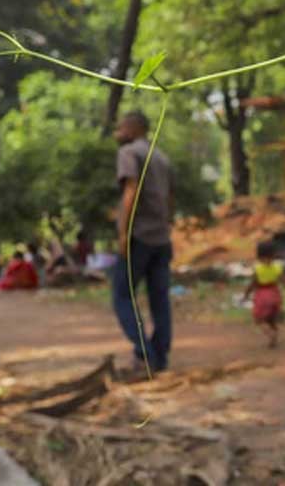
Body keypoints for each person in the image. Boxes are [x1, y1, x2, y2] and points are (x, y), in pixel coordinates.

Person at [112, 110, 174, 373]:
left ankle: (143, 353)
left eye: (120, 127)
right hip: (161, 237)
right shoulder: (161, 157)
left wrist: (123, 232)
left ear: (132, 128)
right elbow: (169, 199)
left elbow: (131, 190)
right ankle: (159, 355)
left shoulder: (129, 153)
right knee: (159, 298)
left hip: (140, 236)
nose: (117, 132)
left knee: (122, 295)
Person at [243, 241, 285, 348]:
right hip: (274, 295)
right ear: (274, 255)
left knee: (259, 319)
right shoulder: (277, 268)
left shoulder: (258, 269)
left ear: (258, 256)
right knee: (271, 319)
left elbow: (252, 284)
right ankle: (274, 336)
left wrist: (246, 295)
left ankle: (271, 334)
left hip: (262, 296)